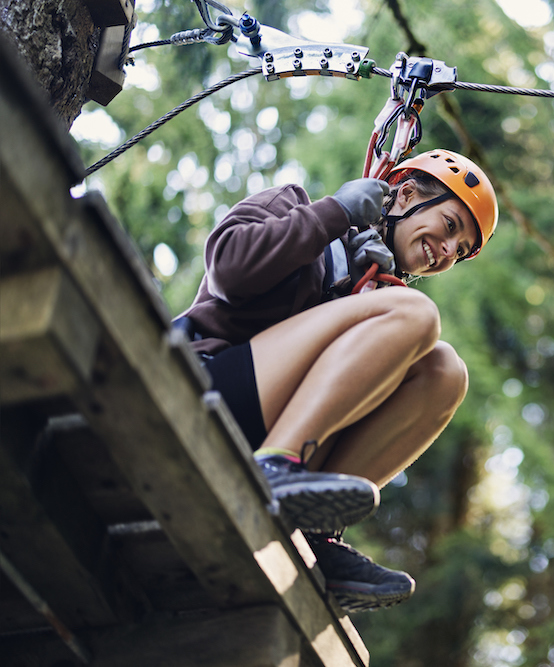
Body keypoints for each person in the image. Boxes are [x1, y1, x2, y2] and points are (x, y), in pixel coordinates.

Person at [174, 149, 498, 612]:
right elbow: (227, 269)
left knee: (445, 372)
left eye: (459, 251)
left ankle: (315, 527)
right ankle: (277, 468)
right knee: (419, 315)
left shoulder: (381, 301)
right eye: (449, 227)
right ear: (405, 194)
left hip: (268, 429)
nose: (447, 252)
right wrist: (336, 214)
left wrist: (362, 296)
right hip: (212, 393)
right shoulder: (295, 205)